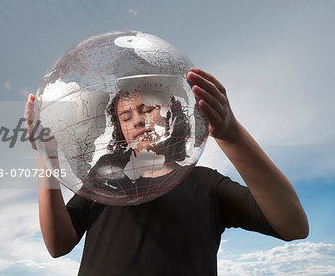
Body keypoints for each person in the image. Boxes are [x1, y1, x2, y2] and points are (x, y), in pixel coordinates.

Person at [25, 67, 309, 275]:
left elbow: (294, 226)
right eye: (126, 116)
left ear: (173, 113)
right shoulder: (104, 178)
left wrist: (230, 133)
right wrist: (45, 155)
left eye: (147, 109)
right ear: (120, 129)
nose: (137, 120)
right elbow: (57, 243)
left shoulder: (205, 183)